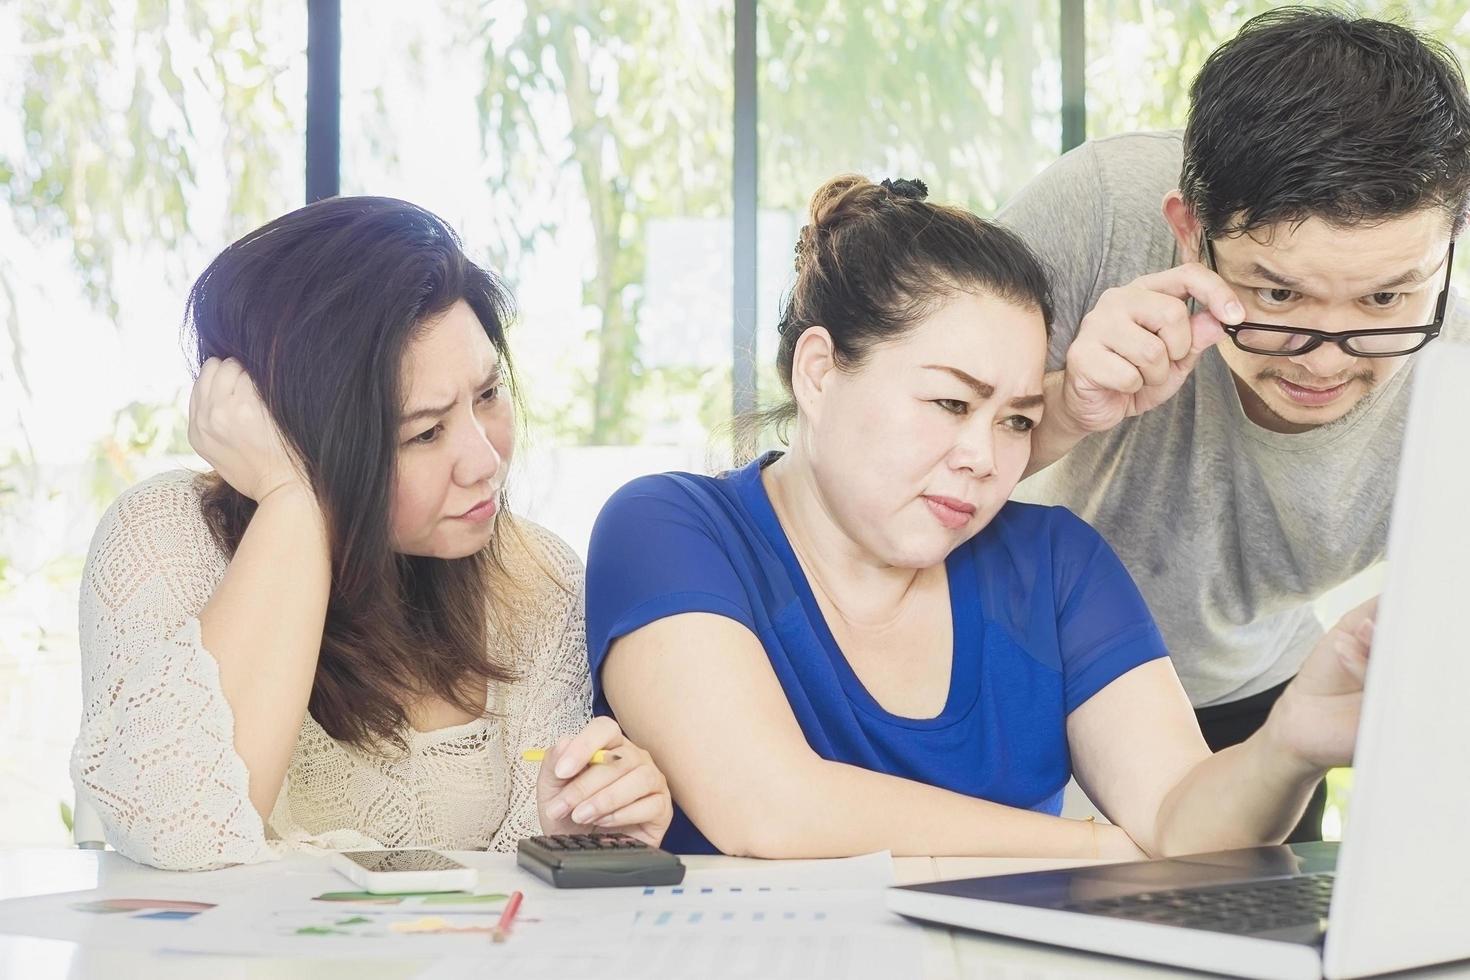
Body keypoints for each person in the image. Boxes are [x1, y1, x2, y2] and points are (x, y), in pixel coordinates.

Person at [583, 174, 1374, 859]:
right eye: (951, 403)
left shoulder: (1057, 565)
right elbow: (767, 805)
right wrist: (1102, 848)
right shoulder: (669, 529)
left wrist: (1287, 745)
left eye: (1018, 420)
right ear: (819, 373)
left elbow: (1180, 817)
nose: (984, 457)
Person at [71, 197, 672, 871]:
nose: (484, 460)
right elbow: (183, 833)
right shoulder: (163, 538)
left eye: (487, 394)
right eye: (424, 432)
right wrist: (294, 499)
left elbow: (509, 907)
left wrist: (574, 826)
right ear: (304, 437)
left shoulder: (536, 580)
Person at [998, 7, 1470, 841]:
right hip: (1018, 678)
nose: (1324, 361)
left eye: (1385, 299)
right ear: (1187, 232)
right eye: (1277, 295)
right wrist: (1065, 403)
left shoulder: (1454, 362)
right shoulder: (1102, 211)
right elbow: (892, 465)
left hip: (1251, 704)